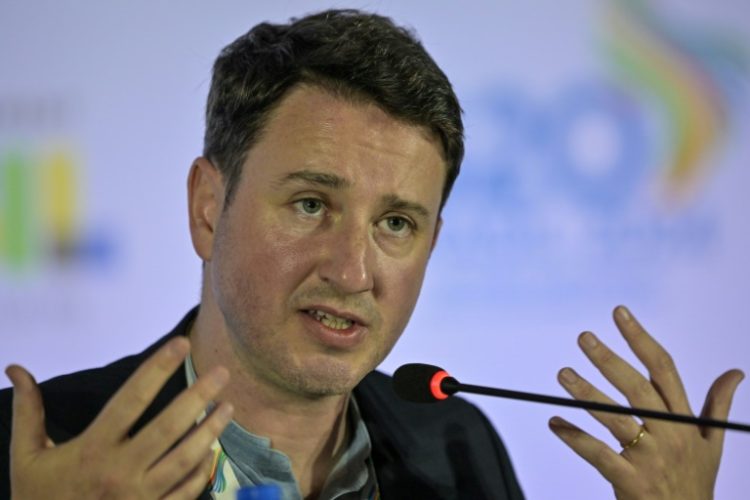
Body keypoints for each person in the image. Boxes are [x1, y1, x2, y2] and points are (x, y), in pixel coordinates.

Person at [0, 9, 743, 500]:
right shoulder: (40, 452)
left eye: (395, 224)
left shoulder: (458, 451)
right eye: (311, 205)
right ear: (207, 206)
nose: (353, 272)